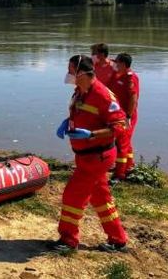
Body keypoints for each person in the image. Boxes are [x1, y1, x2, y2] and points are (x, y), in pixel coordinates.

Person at [51, 54, 129, 253]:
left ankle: (68, 240)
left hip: (97, 156)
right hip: (85, 156)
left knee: (73, 196)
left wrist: (92, 134)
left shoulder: (102, 95)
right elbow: (81, 112)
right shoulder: (80, 91)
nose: (68, 75)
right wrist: (67, 122)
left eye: (71, 71)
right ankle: (118, 240)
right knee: (101, 198)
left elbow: (120, 126)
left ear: (82, 73)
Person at [107, 53, 140, 182]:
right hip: (117, 114)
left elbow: (133, 98)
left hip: (126, 116)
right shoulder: (118, 75)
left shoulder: (131, 77)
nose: (115, 64)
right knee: (126, 142)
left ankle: (119, 174)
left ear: (124, 64)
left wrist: (128, 116)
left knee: (121, 144)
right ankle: (129, 166)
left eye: (117, 63)